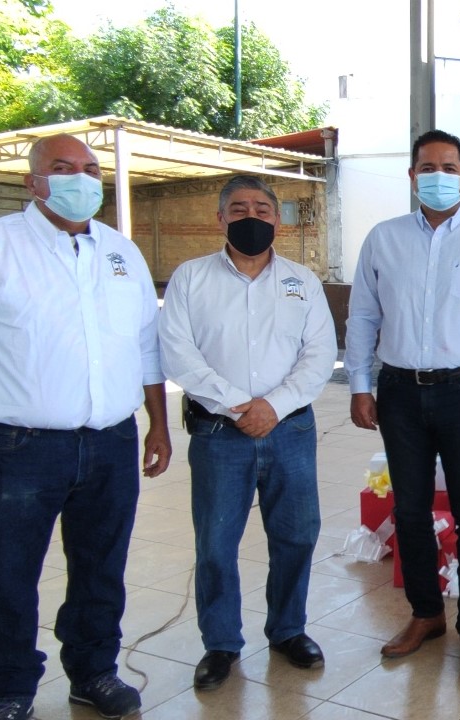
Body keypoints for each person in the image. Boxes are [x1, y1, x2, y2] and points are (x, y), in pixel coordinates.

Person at [0, 134, 172, 720]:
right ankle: (10, 689)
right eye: (63, 167)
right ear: (33, 182)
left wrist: (157, 424)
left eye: (91, 168)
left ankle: (93, 672)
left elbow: (144, 347)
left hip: (111, 442)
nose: (81, 178)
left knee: (101, 568)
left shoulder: (121, 253)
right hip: (18, 448)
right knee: (8, 574)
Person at [345, 129, 460, 682]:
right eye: (428, 167)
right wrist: (360, 384)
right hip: (399, 392)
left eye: (450, 168)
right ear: (412, 176)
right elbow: (363, 317)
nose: (439, 176)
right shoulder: (383, 239)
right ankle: (426, 614)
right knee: (410, 510)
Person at [158, 174, 337, 691]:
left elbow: (319, 355)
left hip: (290, 430)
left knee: (296, 536)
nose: (252, 218)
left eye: (262, 209)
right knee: (216, 544)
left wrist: (273, 407)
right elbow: (178, 354)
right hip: (219, 434)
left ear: (277, 219)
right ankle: (220, 643)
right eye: (239, 209)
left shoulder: (303, 281)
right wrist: (238, 406)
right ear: (220, 218)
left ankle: (288, 630)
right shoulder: (190, 279)